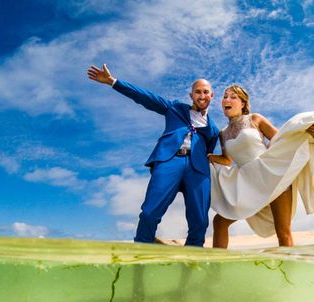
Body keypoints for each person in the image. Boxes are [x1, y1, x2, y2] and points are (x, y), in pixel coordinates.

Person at [87, 64, 220, 247]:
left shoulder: (213, 129)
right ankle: (140, 251)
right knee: (150, 212)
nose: (202, 96)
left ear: (211, 95)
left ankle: (192, 259)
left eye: (206, 92)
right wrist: (113, 82)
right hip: (169, 161)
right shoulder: (175, 108)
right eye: (198, 92)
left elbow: (209, 152)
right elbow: (146, 97)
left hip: (198, 170)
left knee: (200, 221)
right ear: (191, 96)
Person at [208, 85, 314, 248]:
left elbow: (280, 138)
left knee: (283, 231)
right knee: (219, 222)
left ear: (243, 104)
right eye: (225, 96)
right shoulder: (223, 133)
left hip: (272, 175)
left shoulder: (255, 119)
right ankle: (216, 269)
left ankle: (288, 271)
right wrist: (209, 157)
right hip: (247, 183)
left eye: (233, 97)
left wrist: (306, 134)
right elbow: (227, 159)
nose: (227, 100)